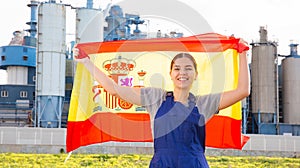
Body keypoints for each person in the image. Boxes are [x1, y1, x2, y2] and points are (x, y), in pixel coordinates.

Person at [73, 39, 250, 168]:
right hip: (162, 164)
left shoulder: (204, 103)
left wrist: (243, 54)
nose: (183, 73)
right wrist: (86, 62)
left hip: (194, 164)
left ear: (196, 75)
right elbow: (113, 89)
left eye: (188, 68)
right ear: (171, 74)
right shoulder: (155, 98)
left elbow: (243, 91)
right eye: (177, 68)